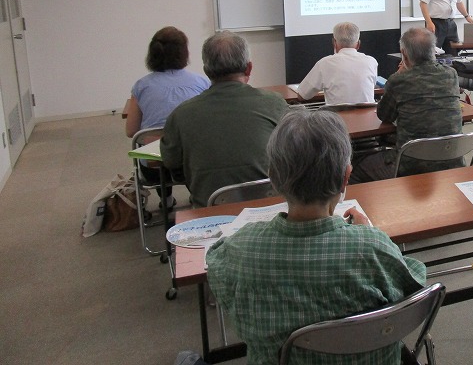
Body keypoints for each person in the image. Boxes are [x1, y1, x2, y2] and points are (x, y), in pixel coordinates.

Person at [176, 108, 426, 365]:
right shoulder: (373, 248)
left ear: (273, 177)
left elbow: (217, 274)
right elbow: (415, 286)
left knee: (186, 360)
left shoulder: (239, 251)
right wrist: (370, 234)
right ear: (345, 178)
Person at [160, 31, 288, 207]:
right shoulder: (274, 103)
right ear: (249, 68)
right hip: (269, 204)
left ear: (206, 71)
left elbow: (171, 163)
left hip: (209, 207)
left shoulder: (180, 114)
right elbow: (295, 152)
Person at [125, 26, 210, 207]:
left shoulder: (141, 86)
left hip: (154, 164)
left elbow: (131, 130)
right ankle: (197, 196)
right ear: (184, 53)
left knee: (156, 151)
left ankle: (166, 199)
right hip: (195, 159)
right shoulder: (202, 82)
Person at [376, 27, 462, 176]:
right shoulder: (451, 74)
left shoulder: (398, 80)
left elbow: (384, 116)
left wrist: (398, 74)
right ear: (433, 51)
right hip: (453, 162)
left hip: (412, 166)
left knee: (359, 169)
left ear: (404, 54)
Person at [295, 22, 378, 105]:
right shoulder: (372, 62)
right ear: (358, 44)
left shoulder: (324, 63)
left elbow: (302, 95)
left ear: (334, 42)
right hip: (368, 117)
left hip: (337, 117)